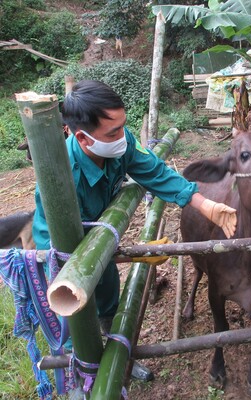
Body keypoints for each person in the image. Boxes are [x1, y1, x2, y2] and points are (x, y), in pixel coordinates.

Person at [32, 79, 237, 334]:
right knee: (76, 315)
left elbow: (155, 172)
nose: (122, 136)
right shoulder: (65, 179)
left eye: (122, 126)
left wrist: (204, 204)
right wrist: (128, 254)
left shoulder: (120, 142)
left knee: (107, 288)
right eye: (112, 133)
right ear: (83, 138)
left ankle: (114, 346)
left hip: (99, 230)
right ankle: (86, 367)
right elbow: (79, 249)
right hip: (61, 248)